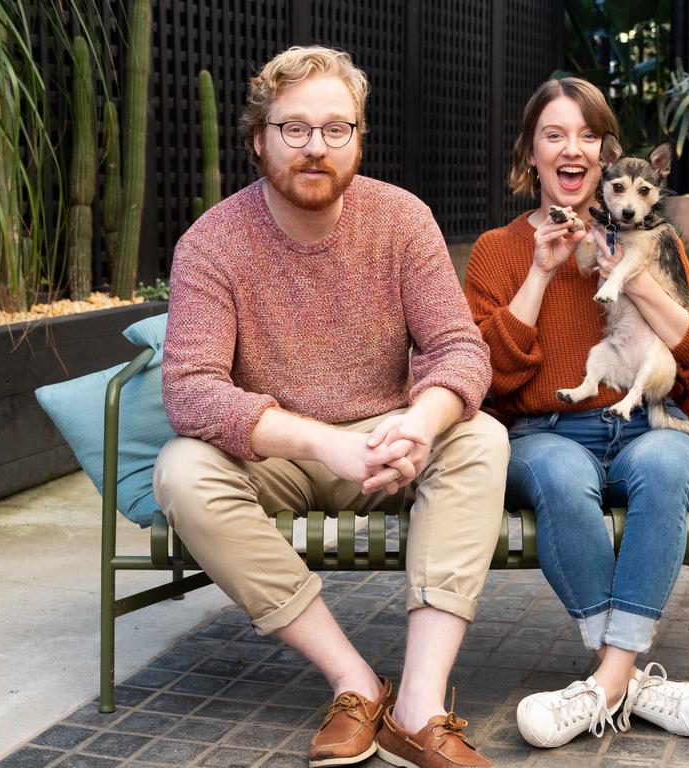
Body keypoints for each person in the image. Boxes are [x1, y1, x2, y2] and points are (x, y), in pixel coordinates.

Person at [154, 46, 508, 768]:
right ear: (259, 138)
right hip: (280, 450)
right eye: (295, 129)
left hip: (387, 442)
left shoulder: (402, 220)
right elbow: (190, 389)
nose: (317, 147)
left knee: (482, 437)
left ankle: (419, 704)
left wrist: (420, 421)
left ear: (358, 137)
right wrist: (320, 442)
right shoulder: (213, 243)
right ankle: (353, 681)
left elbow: (460, 351)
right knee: (183, 471)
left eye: (336, 129)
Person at [464, 77, 689, 749]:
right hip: (548, 432)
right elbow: (488, 374)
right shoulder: (497, 250)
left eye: (587, 135)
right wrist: (543, 272)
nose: (572, 149)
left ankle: (606, 683)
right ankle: (633, 684)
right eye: (554, 135)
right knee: (557, 475)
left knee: (666, 465)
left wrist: (635, 276)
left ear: (609, 161)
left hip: (652, 425)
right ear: (531, 153)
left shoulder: (653, 238)